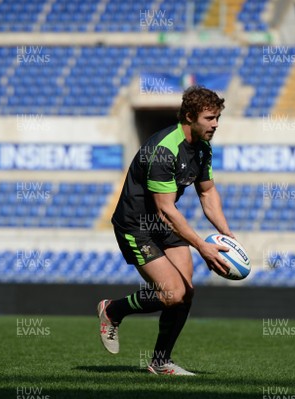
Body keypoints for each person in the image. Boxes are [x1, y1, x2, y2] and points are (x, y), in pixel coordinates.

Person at [97, 85, 234, 376]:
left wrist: (227, 236)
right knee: (172, 293)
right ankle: (113, 310)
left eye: (217, 118)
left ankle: (160, 362)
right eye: (210, 118)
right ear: (189, 116)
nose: (216, 124)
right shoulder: (164, 150)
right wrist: (202, 246)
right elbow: (166, 210)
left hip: (163, 222)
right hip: (137, 225)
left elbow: (208, 194)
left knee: (186, 294)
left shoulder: (202, 148)